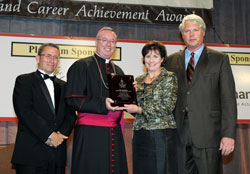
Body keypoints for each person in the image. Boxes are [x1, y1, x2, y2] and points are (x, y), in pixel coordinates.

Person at [165, 14, 237, 174]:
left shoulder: (220, 60)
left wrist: (228, 135)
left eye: (195, 30)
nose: (191, 34)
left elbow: (228, 100)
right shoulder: (170, 61)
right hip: (178, 135)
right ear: (182, 35)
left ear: (203, 33)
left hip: (209, 135)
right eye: (187, 31)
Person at [65, 27, 128, 174]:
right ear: (96, 42)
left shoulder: (118, 70)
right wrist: (102, 103)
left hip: (114, 131)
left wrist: (132, 94)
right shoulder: (81, 66)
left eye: (112, 41)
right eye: (104, 40)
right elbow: (72, 99)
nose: (109, 44)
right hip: (90, 133)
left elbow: (122, 101)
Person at [11, 43, 77, 174]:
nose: (52, 60)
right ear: (37, 58)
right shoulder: (24, 80)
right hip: (31, 154)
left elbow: (71, 114)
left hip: (57, 154)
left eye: (55, 57)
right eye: (48, 56)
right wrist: (49, 134)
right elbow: (24, 112)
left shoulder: (64, 86)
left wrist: (60, 135)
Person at [124, 41, 178, 174]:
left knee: (161, 170)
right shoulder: (139, 80)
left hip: (161, 133)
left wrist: (139, 109)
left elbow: (167, 106)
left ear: (162, 59)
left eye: (155, 56)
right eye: (147, 56)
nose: (151, 60)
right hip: (140, 133)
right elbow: (136, 110)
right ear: (144, 59)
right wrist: (130, 96)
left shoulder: (169, 77)